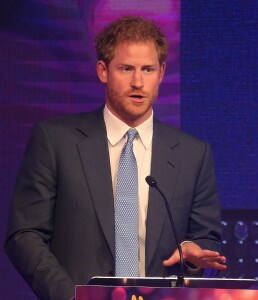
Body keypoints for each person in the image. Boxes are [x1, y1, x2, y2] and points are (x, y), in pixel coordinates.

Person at [4, 16, 226, 300]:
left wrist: (193, 253)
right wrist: (72, 295)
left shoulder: (194, 154)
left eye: (148, 69)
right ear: (103, 70)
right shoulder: (55, 140)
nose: (138, 82)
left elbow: (205, 238)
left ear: (161, 73)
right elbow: (24, 234)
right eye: (126, 68)